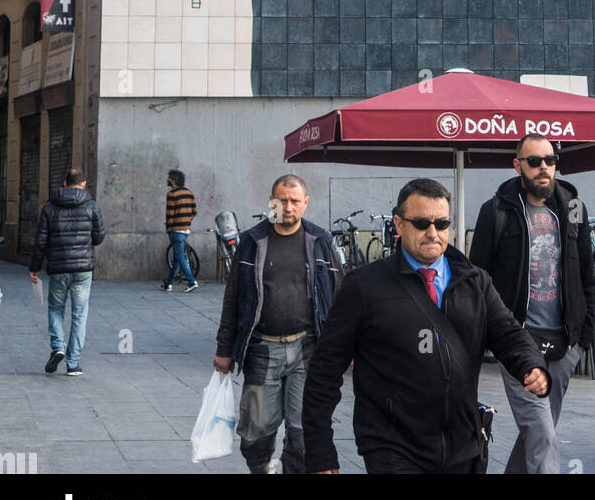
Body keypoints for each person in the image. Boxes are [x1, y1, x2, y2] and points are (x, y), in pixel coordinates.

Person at [303, 177, 550, 475]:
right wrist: (320, 453)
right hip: (392, 445)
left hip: (463, 444)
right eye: (421, 223)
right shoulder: (363, 286)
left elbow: (509, 334)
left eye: (442, 224)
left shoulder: (475, 281)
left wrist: (531, 365)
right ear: (398, 223)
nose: (432, 233)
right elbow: (324, 372)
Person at [469, 135, 595, 474]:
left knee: (539, 432)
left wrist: (585, 337)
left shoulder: (574, 209)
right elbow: (477, 278)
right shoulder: (496, 211)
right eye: (534, 161)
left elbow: (587, 273)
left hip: (565, 343)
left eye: (550, 160)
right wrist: (487, 333)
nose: (544, 167)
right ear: (518, 166)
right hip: (518, 342)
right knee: (541, 431)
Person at [214, 174, 342, 474]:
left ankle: (291, 468)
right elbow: (233, 297)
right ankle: (261, 468)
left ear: (305, 204)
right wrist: (224, 348)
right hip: (261, 348)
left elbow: (339, 295)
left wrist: (345, 347)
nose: (287, 207)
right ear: (271, 202)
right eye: (281, 200)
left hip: (307, 347)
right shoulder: (252, 240)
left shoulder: (320, 240)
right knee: (254, 433)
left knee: (302, 432)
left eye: (294, 201)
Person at [29, 167, 106, 377]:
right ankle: (73, 364)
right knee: (79, 314)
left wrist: (34, 267)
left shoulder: (49, 207)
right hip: (82, 269)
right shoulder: (92, 206)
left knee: (56, 308)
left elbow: (41, 240)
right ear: (83, 184)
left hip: (58, 268)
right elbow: (99, 237)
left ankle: (58, 347)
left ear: (64, 183)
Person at [161, 168, 198, 291]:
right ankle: (168, 283)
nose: (167, 179)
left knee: (179, 256)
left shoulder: (171, 194)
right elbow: (194, 211)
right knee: (177, 257)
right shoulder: (189, 193)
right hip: (186, 229)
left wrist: (169, 228)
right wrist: (186, 221)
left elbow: (170, 215)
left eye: (169, 177)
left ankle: (192, 282)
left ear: (173, 180)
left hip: (175, 230)